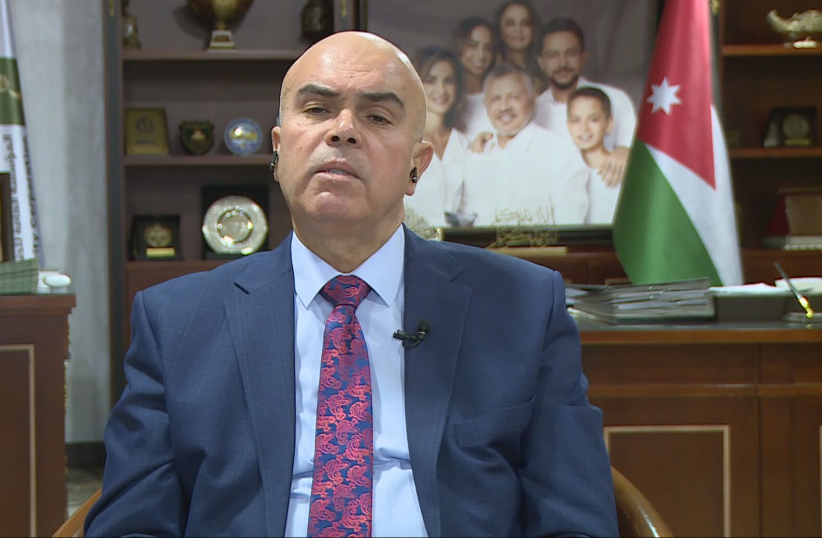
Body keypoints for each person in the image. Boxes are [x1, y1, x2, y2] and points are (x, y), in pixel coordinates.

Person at [84, 31, 616, 537]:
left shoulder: (522, 307)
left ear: (417, 167)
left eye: (377, 116)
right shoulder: (175, 322)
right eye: (317, 110)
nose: (342, 130)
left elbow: (575, 518)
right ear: (277, 151)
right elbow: (132, 524)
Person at [460, 62, 589, 227]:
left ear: (533, 99)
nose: (504, 106)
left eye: (514, 97)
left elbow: (570, 225)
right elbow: (465, 218)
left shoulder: (559, 153)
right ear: (485, 104)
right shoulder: (476, 154)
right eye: (496, 98)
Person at [534, 17, 637, 188]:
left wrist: (626, 150)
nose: (562, 63)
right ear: (541, 62)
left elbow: (638, 154)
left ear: (583, 57)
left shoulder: (615, 99)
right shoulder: (534, 110)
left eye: (571, 53)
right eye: (553, 55)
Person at [403, 46, 469, 229]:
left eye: (449, 81)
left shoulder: (463, 143)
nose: (441, 90)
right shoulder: (402, 140)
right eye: (431, 80)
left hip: (456, 241)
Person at [567, 87, 622, 224]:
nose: (584, 128)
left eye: (593, 119)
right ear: (568, 125)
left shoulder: (621, 170)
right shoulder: (564, 169)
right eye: (576, 120)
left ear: (608, 123)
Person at [448, 17, 498, 142]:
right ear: (459, 46)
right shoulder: (446, 99)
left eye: (488, 48)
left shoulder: (499, 97)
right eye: (473, 46)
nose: (481, 55)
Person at [494, 0, 547, 93]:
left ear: (533, 29)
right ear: (499, 29)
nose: (518, 30)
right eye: (510, 24)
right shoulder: (490, 72)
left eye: (525, 24)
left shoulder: (545, 70)